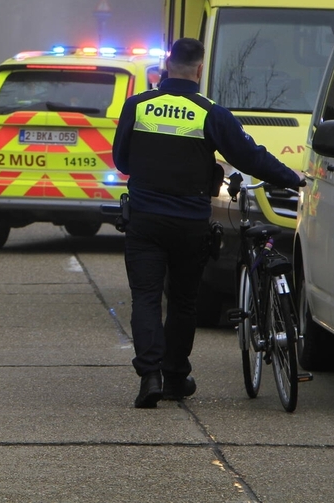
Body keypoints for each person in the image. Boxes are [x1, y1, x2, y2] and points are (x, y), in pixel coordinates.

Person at [112, 37, 304, 408]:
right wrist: (293, 179)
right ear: (200, 70)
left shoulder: (136, 106)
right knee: (184, 301)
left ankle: (149, 376)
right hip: (190, 224)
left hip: (145, 221)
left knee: (147, 299)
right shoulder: (210, 112)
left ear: (166, 66)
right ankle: (175, 377)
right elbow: (250, 157)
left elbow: (122, 161)